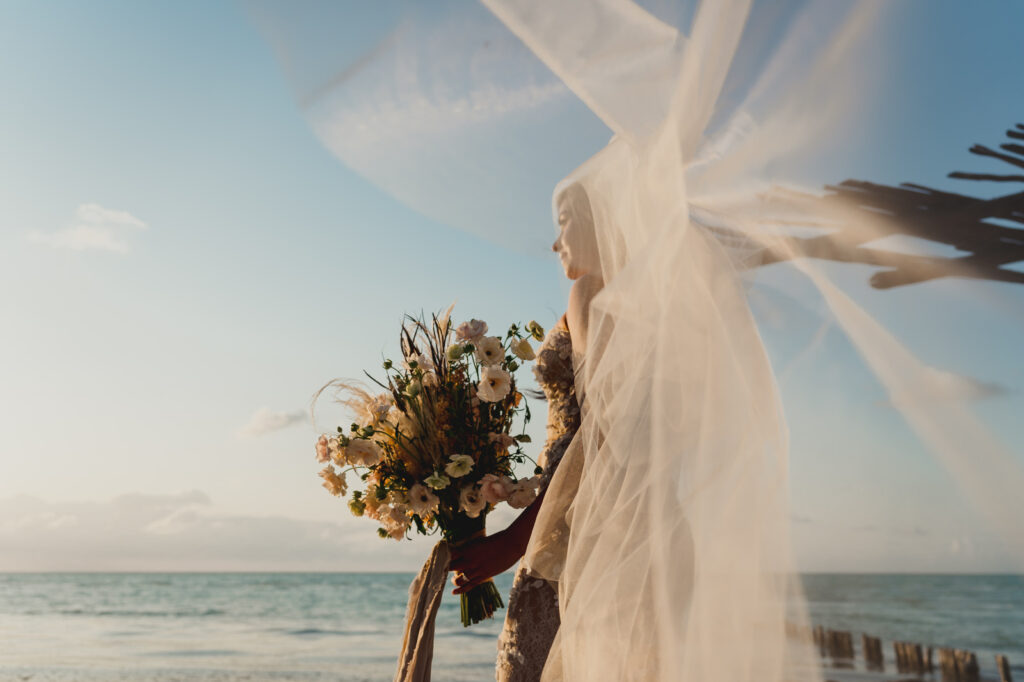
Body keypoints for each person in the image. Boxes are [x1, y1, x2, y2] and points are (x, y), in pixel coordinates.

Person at [450, 184, 598, 681]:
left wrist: (513, 541)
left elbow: (602, 438)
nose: (556, 244)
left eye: (563, 223)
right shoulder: (613, 298)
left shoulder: (591, 292)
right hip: (562, 520)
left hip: (570, 527)